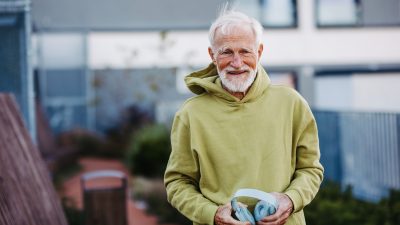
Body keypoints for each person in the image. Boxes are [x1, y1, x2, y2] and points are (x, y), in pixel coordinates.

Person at [164, 9, 324, 225]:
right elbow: (177, 183)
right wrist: (211, 214)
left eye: (245, 52)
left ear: (259, 51)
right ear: (212, 55)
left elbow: (310, 169)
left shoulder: (292, 103)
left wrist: (291, 199)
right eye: (227, 52)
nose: (237, 63)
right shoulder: (190, 114)